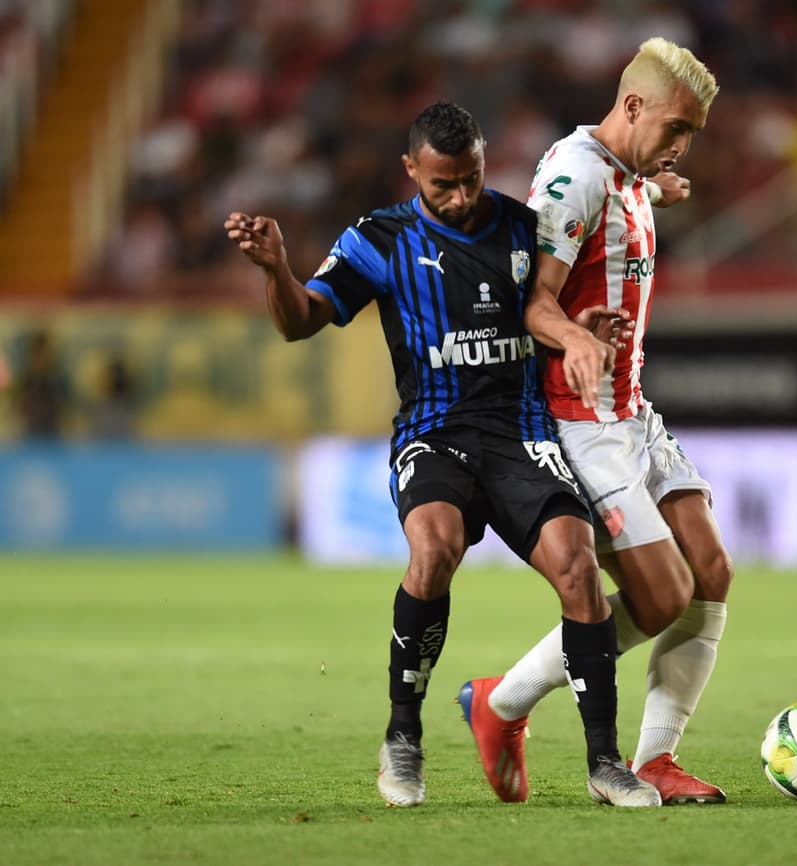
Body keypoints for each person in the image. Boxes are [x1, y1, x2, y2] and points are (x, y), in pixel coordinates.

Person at [224, 101, 660, 809]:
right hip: (435, 432)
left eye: (470, 180)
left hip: (522, 433)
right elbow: (303, 322)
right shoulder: (378, 238)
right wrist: (277, 269)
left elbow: (546, 308)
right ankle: (403, 737)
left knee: (578, 568)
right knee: (432, 551)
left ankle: (605, 762)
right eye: (441, 186)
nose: (459, 199)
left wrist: (580, 326)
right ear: (411, 172)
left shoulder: (524, 226)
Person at [458, 38, 734, 805]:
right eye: (676, 129)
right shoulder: (575, 175)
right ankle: (502, 702)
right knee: (662, 597)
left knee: (710, 570)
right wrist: (576, 336)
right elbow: (532, 301)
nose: (682, 147)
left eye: (694, 137)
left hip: (631, 409)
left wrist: (660, 186)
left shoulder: (628, 172)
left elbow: (628, 198)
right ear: (633, 105)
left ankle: (655, 761)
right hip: (581, 421)